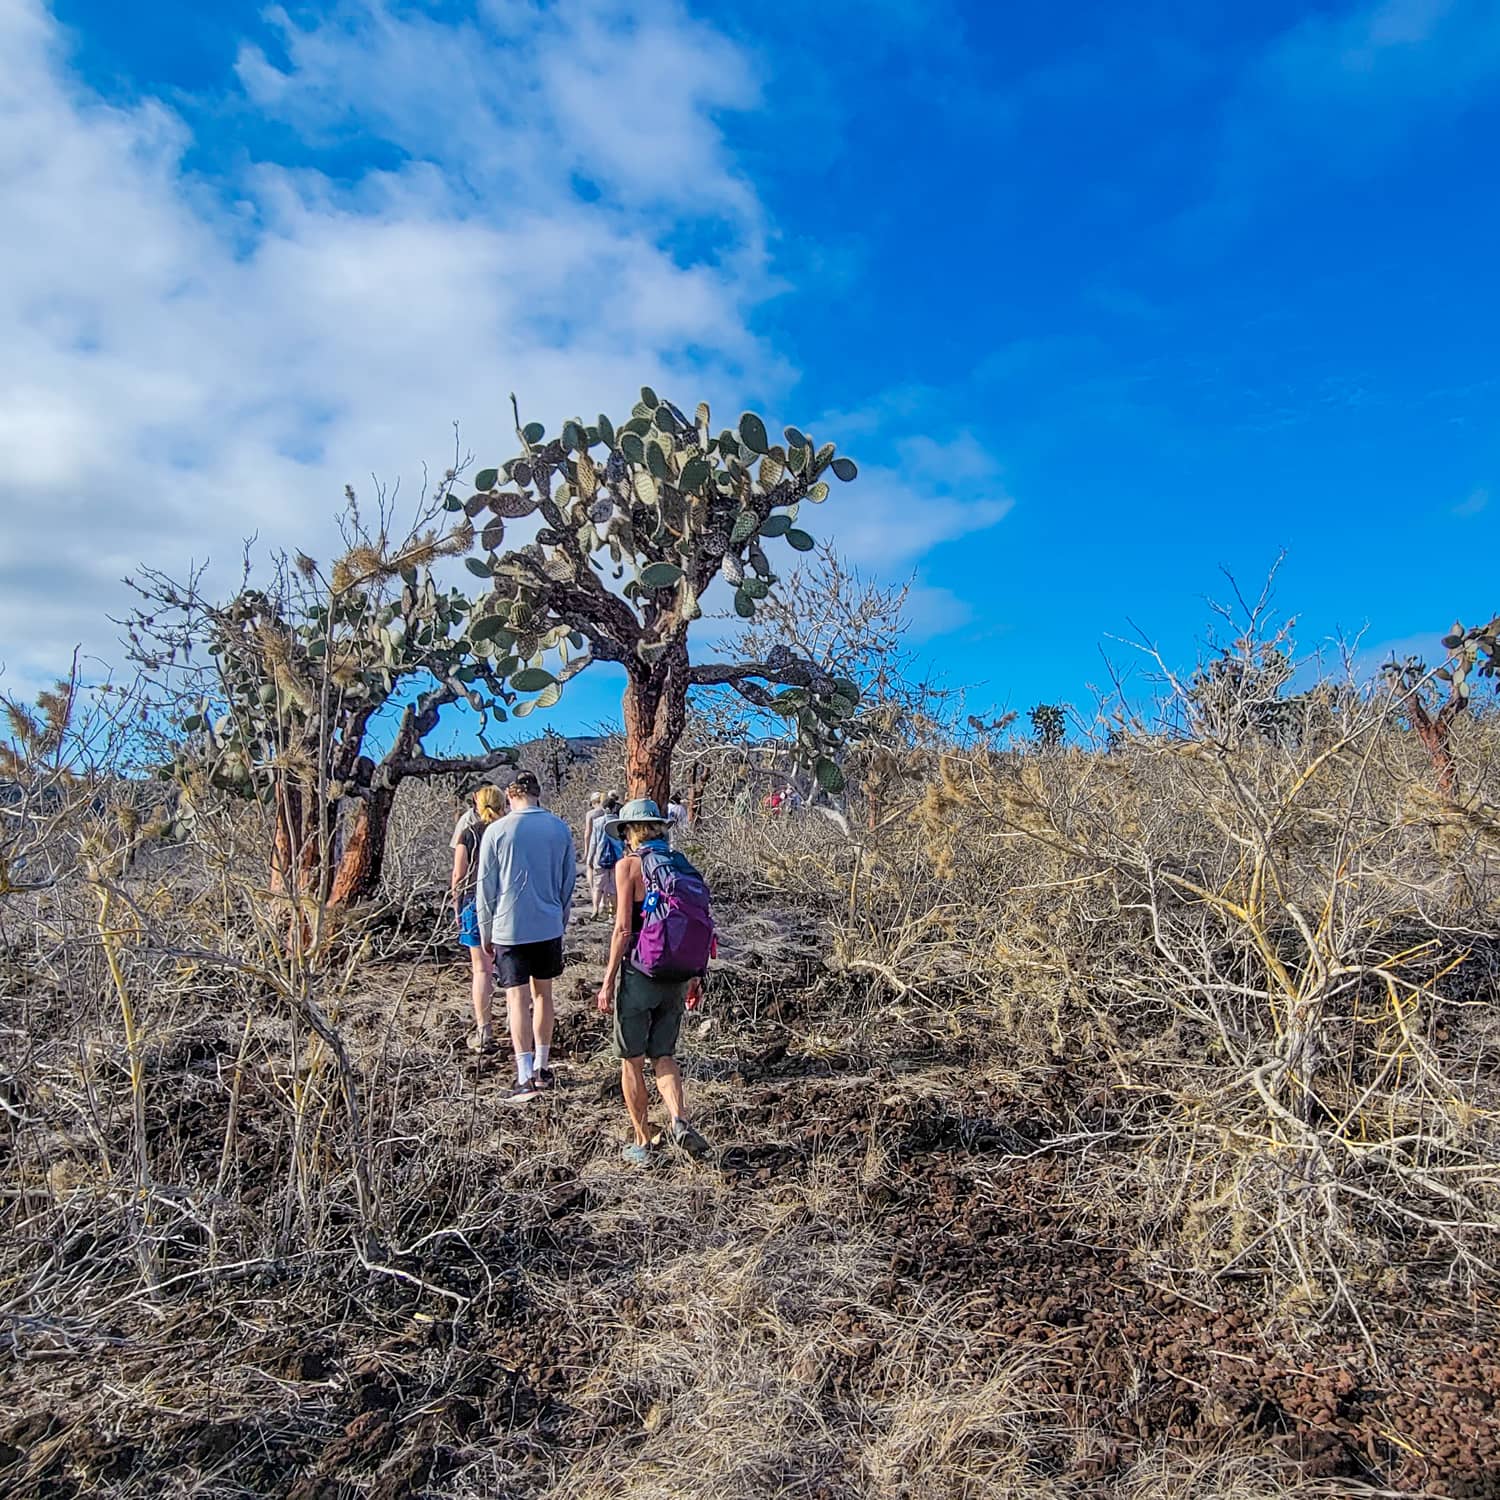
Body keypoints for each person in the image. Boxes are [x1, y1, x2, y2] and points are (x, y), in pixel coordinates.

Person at [595, 798, 711, 1164]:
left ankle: (643, 1142)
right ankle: (678, 1119)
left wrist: (608, 979)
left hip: (641, 972)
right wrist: (697, 975)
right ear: (659, 828)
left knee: (631, 1059)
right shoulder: (682, 865)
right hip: (679, 974)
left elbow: (623, 928)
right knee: (664, 1054)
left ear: (630, 831)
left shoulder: (629, 866)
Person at [474, 771, 577, 1102]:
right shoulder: (559, 829)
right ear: (537, 793)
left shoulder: (497, 831)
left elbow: (485, 888)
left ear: (509, 794)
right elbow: (567, 883)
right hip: (548, 926)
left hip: (509, 928)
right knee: (544, 996)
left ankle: (523, 1075)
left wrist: (485, 929)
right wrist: (559, 918)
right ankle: (543, 1068)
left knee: (517, 999)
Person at [451, 785, 505, 1053]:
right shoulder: (508, 831)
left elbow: (458, 875)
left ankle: (484, 1030)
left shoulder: (469, 833)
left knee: (481, 970)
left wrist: (456, 905)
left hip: (474, 902)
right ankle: (524, 1023)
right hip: (507, 904)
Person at [586, 791, 622, 919]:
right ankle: (614, 912)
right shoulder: (619, 823)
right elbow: (623, 842)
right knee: (613, 886)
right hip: (617, 858)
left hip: (599, 857)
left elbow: (593, 842)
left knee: (598, 885)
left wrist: (589, 858)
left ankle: (595, 909)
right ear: (613, 808)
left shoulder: (597, 822)